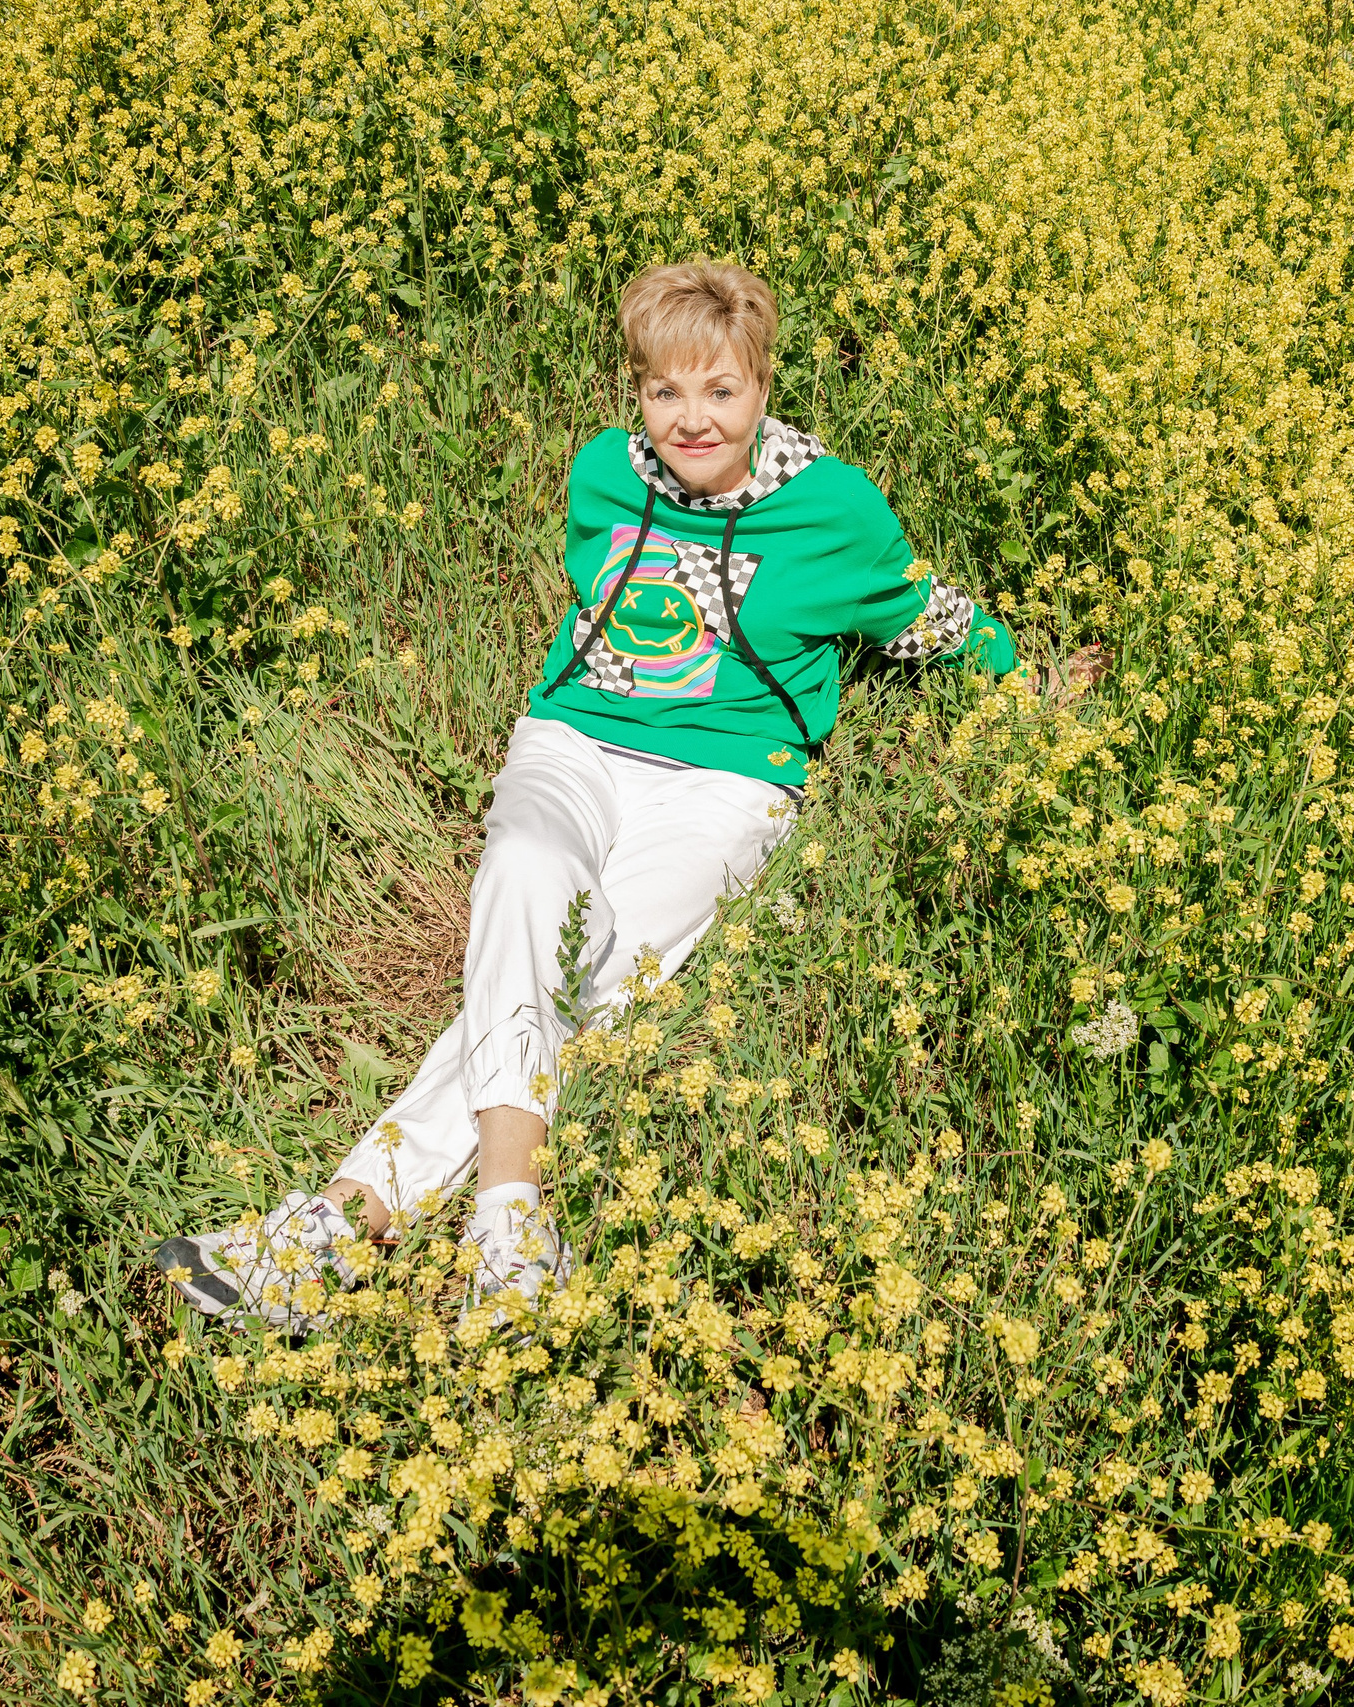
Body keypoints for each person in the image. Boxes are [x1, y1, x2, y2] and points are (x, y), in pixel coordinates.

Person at [154, 259, 1099, 1329]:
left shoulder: (834, 508)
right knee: (523, 872)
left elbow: (926, 614)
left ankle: (344, 1219)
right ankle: (509, 1219)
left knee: (590, 967)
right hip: (574, 746)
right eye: (665, 392)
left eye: (720, 391)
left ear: (762, 385)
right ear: (636, 393)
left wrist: (1030, 685)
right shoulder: (603, 475)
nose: (692, 420)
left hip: (732, 785)